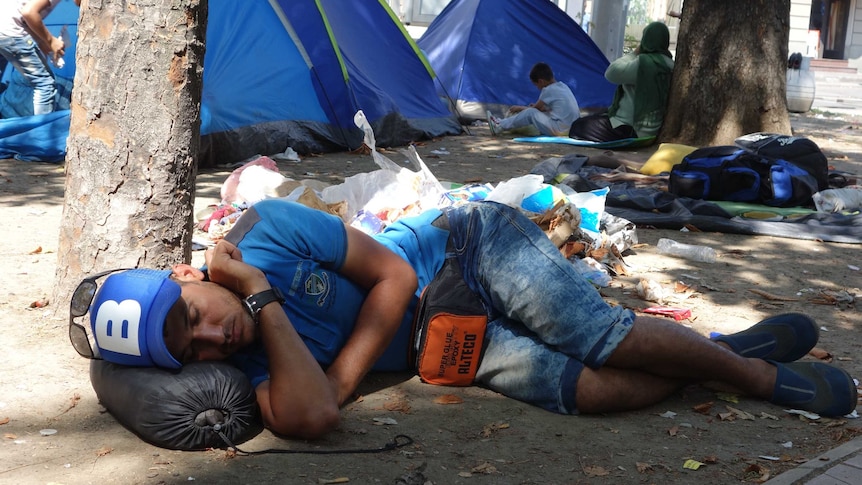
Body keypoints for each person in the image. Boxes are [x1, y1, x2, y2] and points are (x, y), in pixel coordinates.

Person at [73, 199, 858, 440]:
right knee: (584, 388)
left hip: (465, 250)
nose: (213, 334)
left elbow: (394, 272)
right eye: (191, 348)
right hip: (432, 341)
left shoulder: (267, 230)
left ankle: (756, 374)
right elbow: (309, 413)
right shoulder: (239, 356)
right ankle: (709, 353)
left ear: (185, 272)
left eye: (193, 314)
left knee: (596, 332)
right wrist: (263, 307)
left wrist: (341, 370)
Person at [569, 21, 674, 142]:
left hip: (630, 128)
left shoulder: (643, 64)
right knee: (597, 116)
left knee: (578, 126)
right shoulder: (670, 65)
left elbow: (611, 73)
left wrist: (635, 53)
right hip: (652, 129)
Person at [0, 0, 78, 116]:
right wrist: (51, 40)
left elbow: (22, 17)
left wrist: (42, 41)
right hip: (10, 33)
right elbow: (28, 12)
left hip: (6, 30)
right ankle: (41, 130)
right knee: (45, 84)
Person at [486, 62, 580, 137]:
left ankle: (499, 125)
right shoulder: (562, 86)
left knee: (530, 113)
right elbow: (549, 108)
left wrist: (520, 108)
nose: (537, 88)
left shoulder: (548, 90)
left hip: (560, 129)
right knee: (535, 112)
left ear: (541, 81)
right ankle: (501, 123)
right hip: (572, 128)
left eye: (536, 85)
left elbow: (535, 109)